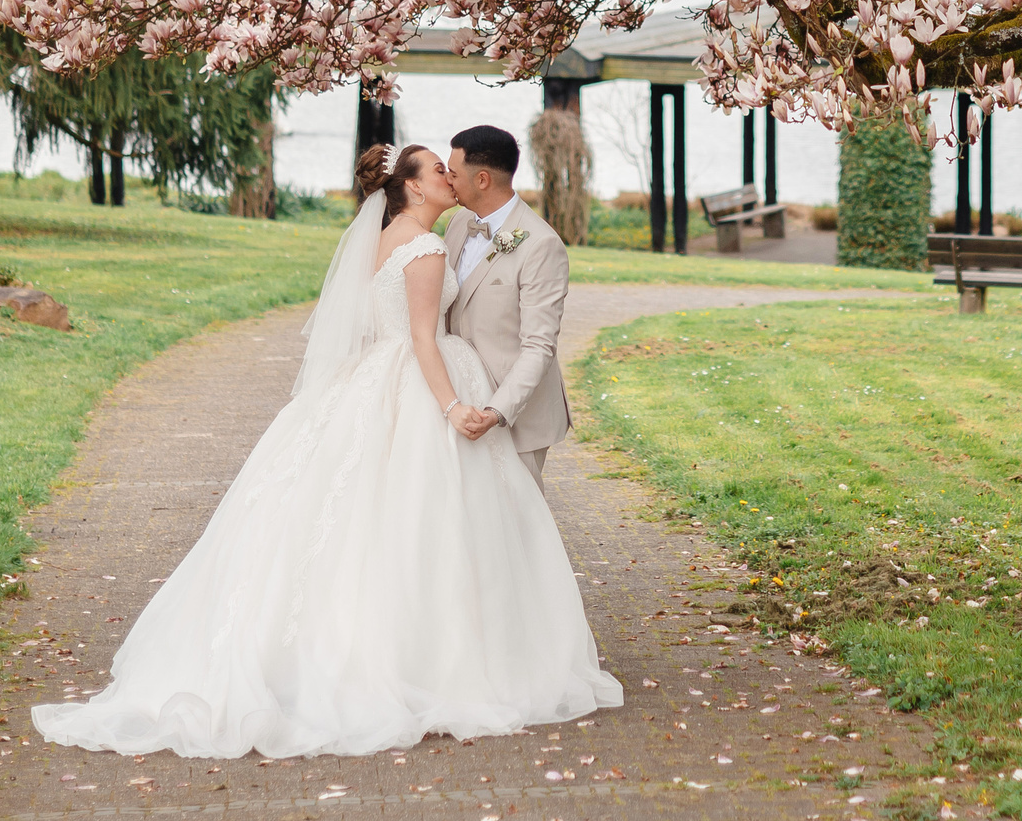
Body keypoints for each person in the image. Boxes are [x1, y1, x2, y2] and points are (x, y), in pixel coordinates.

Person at [30, 142, 621, 759]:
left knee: (365, 517)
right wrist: (451, 407)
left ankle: (386, 646)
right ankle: (435, 657)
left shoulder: (389, 238)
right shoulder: (427, 245)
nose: (447, 177)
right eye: (436, 170)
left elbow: (393, 324)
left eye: (451, 168)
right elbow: (423, 339)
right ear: (413, 186)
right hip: (423, 382)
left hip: (377, 376)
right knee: (425, 520)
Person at [439, 125, 572, 488]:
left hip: (514, 414)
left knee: (519, 512)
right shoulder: (458, 223)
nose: (447, 180)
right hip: (459, 401)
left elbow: (540, 346)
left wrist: (497, 411)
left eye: (453, 173)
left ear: (482, 179)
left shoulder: (541, 245)